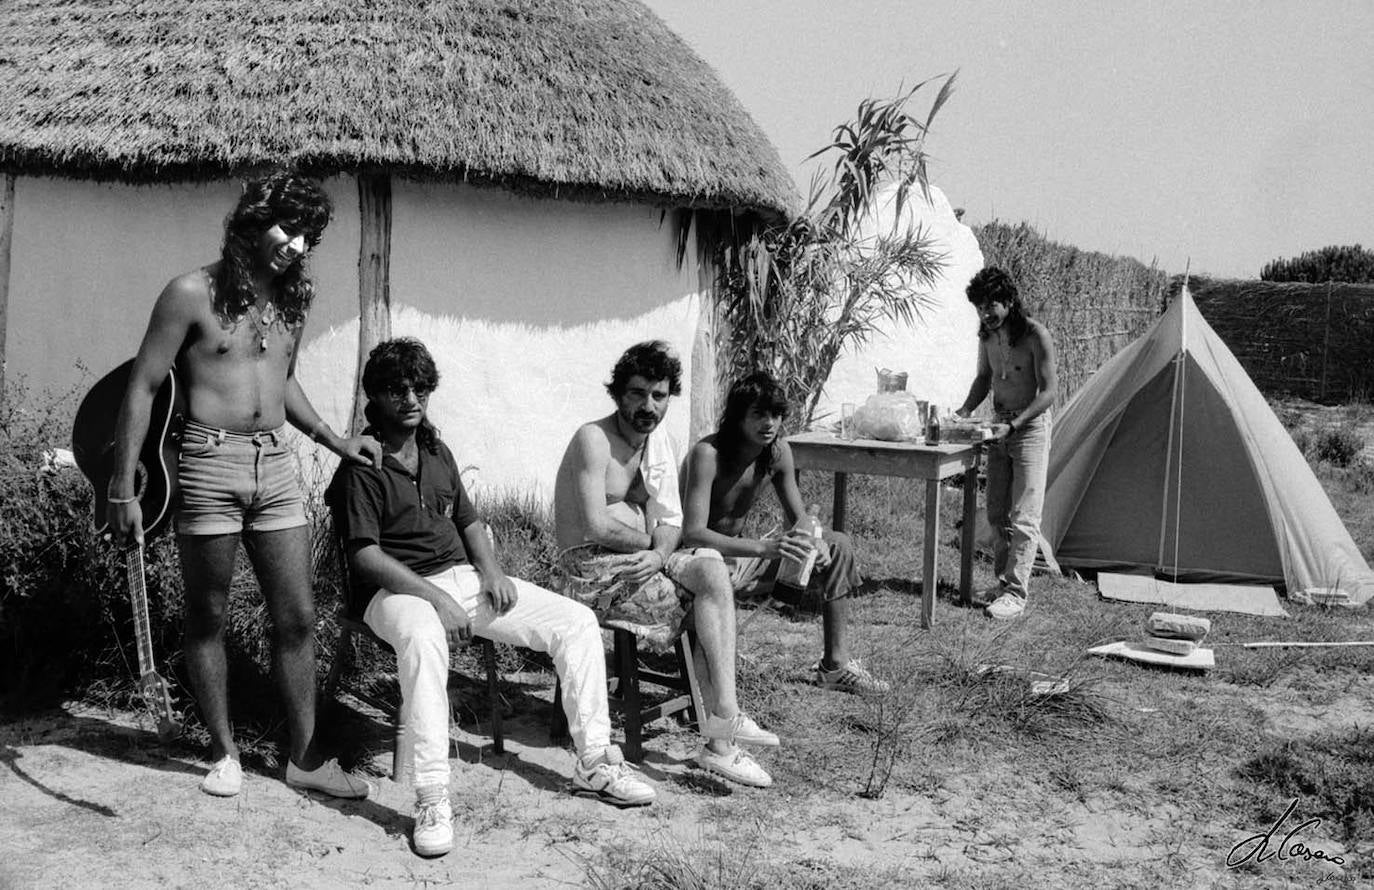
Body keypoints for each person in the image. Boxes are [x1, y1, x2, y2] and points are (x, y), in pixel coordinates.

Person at [107, 172, 379, 799]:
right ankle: (223, 752)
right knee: (207, 615)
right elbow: (143, 385)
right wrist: (123, 487)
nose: (296, 244)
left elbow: (282, 379)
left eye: (309, 235)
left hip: (276, 465)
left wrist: (334, 440)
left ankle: (306, 759)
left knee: (299, 618)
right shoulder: (188, 293)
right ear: (254, 221)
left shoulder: (293, 299)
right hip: (207, 463)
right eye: (288, 228)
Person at [330, 338, 656, 858]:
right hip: (393, 592)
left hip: (460, 578)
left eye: (420, 387)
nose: (411, 398)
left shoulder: (436, 450)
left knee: (574, 620)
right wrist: (437, 600)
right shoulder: (362, 464)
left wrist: (493, 570)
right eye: (396, 389)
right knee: (423, 635)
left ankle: (595, 761)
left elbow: (469, 518)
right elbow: (365, 557)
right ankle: (433, 795)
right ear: (376, 396)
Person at [553, 341, 778, 789]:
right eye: (637, 393)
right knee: (707, 601)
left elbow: (673, 523)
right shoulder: (593, 439)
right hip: (590, 568)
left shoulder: (660, 442)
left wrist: (660, 553)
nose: (648, 406)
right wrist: (657, 547)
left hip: (643, 560)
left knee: (712, 569)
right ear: (618, 394)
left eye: (658, 395)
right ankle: (721, 743)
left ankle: (724, 719)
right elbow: (597, 524)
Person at [679, 371, 888, 695]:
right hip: (697, 561)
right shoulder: (709, 454)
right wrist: (766, 549)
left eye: (776, 414)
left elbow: (800, 519)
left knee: (838, 545)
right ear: (737, 417)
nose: (769, 423)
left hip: (743, 557)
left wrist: (815, 541)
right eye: (759, 414)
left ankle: (834, 667)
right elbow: (693, 534)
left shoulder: (777, 453)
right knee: (716, 559)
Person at [955, 266, 1058, 619]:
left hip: (1028, 428)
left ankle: (1017, 592)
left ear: (1009, 300)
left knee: (1025, 514)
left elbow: (1049, 392)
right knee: (997, 512)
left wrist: (1015, 425)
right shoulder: (986, 335)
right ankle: (1002, 583)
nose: (986, 314)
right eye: (980, 308)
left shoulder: (1034, 335)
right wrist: (965, 410)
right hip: (999, 426)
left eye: (991, 306)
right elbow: (984, 377)